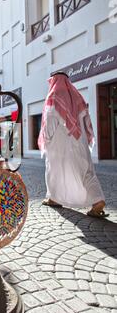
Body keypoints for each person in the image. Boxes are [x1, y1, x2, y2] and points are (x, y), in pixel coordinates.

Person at [38, 72, 108, 218]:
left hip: (59, 145)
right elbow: (87, 121)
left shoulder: (53, 96)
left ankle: (54, 198)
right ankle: (98, 200)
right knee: (86, 171)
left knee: (54, 170)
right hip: (79, 141)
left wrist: (47, 139)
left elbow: (49, 122)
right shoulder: (77, 96)